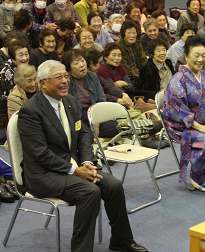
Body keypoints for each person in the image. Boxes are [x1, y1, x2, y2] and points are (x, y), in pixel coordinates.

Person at [17, 59, 149, 252]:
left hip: (74, 166)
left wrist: (87, 162)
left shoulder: (70, 102)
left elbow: (84, 135)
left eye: (65, 76)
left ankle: (121, 240)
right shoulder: (30, 111)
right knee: (89, 192)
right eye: (58, 77)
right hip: (43, 175)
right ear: (42, 83)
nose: (64, 81)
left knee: (113, 185)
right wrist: (75, 170)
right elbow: (40, 153)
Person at [163, 36, 205, 193]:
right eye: (196, 55)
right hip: (181, 127)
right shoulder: (177, 80)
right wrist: (200, 128)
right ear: (186, 56)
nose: (200, 59)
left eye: (203, 55)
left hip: (203, 123)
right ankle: (199, 179)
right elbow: (177, 111)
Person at [62, 49, 120, 138]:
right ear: (68, 69)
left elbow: (101, 100)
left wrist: (96, 123)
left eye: (82, 60)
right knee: (86, 136)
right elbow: (69, 111)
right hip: (79, 120)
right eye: (76, 63)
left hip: (95, 117)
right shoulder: (67, 82)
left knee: (114, 127)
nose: (82, 65)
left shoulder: (92, 76)